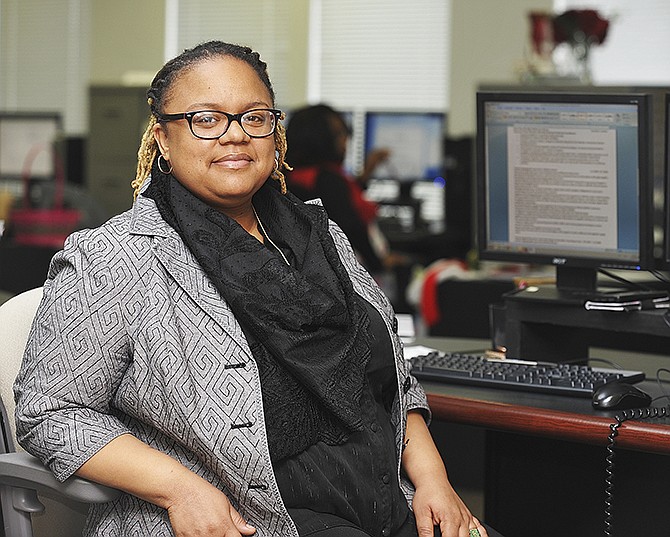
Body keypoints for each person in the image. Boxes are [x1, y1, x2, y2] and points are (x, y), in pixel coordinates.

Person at [13, 41, 498, 537]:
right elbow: (49, 410)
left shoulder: (321, 236)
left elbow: (387, 383)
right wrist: (178, 488)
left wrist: (435, 480)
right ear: (162, 136)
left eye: (254, 117)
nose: (235, 136)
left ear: (274, 130)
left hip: (383, 499)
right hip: (248, 519)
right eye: (206, 119)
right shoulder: (115, 258)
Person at [284, 104, 392, 275]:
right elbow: (352, 228)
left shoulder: (287, 176)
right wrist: (381, 264)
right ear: (318, 138)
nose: (345, 141)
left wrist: (365, 174)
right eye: (339, 134)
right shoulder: (328, 180)